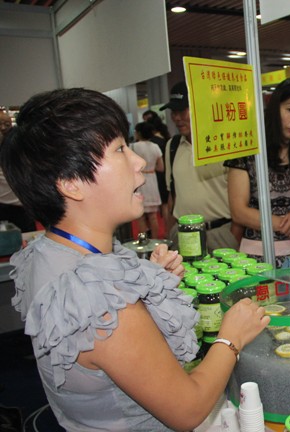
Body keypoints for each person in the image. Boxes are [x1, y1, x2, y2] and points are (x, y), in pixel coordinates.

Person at [0, 88, 269, 431]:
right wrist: (231, 337)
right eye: (119, 150)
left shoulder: (48, 252)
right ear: (71, 184)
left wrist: (144, 286)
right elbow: (187, 409)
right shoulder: (104, 301)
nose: (140, 162)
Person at [225, 78, 290, 265]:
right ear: (275, 108)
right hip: (256, 259)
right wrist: (287, 224)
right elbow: (239, 211)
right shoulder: (247, 152)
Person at [161, 81, 240, 250]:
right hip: (182, 235)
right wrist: (170, 234)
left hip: (220, 233)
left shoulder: (225, 145)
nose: (177, 118)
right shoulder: (172, 146)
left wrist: (234, 235)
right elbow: (172, 195)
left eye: (182, 111)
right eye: (173, 112)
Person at [0, 110, 37, 233]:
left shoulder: (18, 142)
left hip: (23, 205)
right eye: (0, 124)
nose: (4, 127)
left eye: (6, 123)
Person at [131, 121, 164, 238]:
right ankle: (155, 240)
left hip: (140, 181)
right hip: (152, 179)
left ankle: (143, 241)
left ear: (139, 133)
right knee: (153, 215)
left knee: (141, 216)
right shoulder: (155, 147)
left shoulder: (134, 146)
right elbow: (161, 167)